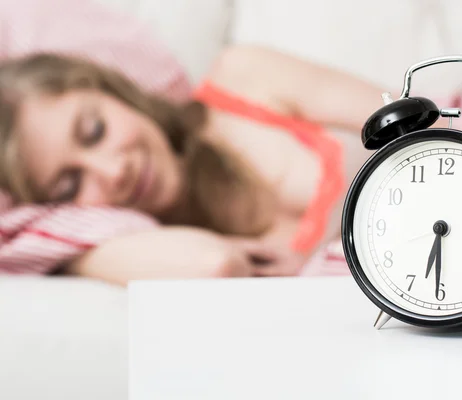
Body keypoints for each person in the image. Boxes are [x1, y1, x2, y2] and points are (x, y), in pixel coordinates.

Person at [0, 45, 425, 285]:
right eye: (68, 188)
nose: (113, 172)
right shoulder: (160, 254)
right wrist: (75, 257)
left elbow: (428, 122)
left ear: (111, 91)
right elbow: (212, 266)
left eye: (95, 130)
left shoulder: (243, 81)